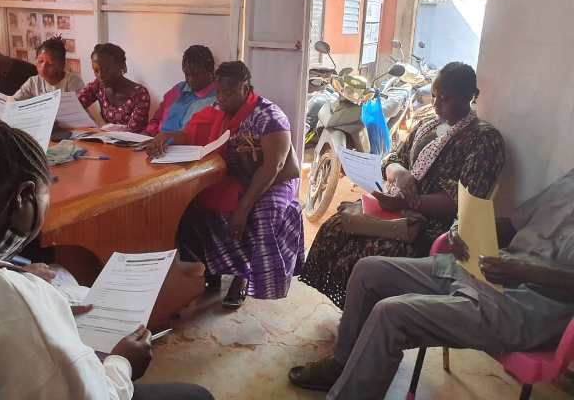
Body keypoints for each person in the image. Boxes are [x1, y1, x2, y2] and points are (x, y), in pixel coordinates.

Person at [0, 113, 214, 400]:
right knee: (196, 396)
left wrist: (10, 274)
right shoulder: (8, 297)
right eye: (46, 204)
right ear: (25, 197)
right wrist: (123, 363)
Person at [289, 169, 574, 400]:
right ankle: (342, 366)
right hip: (488, 269)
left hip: (526, 306)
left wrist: (523, 271)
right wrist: (464, 229)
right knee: (369, 271)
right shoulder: (567, 182)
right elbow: (511, 225)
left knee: (392, 313)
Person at [300, 62, 505, 309]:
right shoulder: (428, 125)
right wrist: (400, 175)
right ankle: (347, 313)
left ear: (468, 97)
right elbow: (394, 158)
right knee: (334, 227)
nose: (437, 103)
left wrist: (405, 202)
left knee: (369, 253)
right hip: (394, 206)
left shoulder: (484, 140)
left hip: (428, 226)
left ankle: (365, 318)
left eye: (445, 98)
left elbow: (462, 202)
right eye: (434, 95)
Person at [145, 61, 304, 309]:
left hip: (274, 181)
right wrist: (166, 137)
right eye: (219, 92)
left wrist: (243, 209)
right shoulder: (219, 111)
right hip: (240, 175)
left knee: (262, 215)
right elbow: (193, 134)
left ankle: (244, 276)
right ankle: (211, 270)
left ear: (246, 87)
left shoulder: (270, 116)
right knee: (195, 207)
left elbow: (273, 166)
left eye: (229, 92)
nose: (222, 98)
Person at [145, 45, 217, 137]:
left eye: (196, 75)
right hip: (157, 144)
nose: (190, 80)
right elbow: (156, 119)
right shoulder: (178, 89)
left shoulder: (218, 98)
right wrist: (147, 134)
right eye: (187, 74)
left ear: (210, 72)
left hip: (188, 148)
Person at [78, 43, 150, 133]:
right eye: (96, 70)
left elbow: (133, 132)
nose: (101, 75)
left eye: (106, 69)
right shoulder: (97, 86)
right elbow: (74, 106)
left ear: (120, 66)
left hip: (132, 144)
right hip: (107, 141)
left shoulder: (140, 94)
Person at [13, 36, 84, 100]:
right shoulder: (33, 82)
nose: (43, 68)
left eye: (50, 64)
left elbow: (81, 108)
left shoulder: (73, 82)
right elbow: (14, 101)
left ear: (62, 64)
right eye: (40, 61)